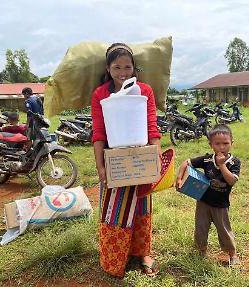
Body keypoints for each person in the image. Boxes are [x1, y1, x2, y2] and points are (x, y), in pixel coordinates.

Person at [91, 43, 161, 277]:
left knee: (142, 205)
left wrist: (155, 156)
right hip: (115, 159)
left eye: (127, 67)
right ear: (108, 68)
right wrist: (100, 165)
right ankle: (114, 258)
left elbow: (151, 126)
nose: (123, 72)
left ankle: (143, 253)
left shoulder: (144, 91)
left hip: (141, 157)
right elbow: (99, 132)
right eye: (117, 67)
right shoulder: (101, 94)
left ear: (134, 68)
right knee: (115, 208)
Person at [176, 125, 241, 267]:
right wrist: (180, 178)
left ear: (231, 143)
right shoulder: (206, 160)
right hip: (203, 202)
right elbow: (186, 162)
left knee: (224, 230)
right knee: (200, 227)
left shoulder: (234, 163)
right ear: (211, 145)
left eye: (225, 143)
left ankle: (232, 254)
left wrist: (222, 165)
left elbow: (231, 180)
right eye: (217, 144)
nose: (222, 147)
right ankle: (201, 250)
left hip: (221, 205)